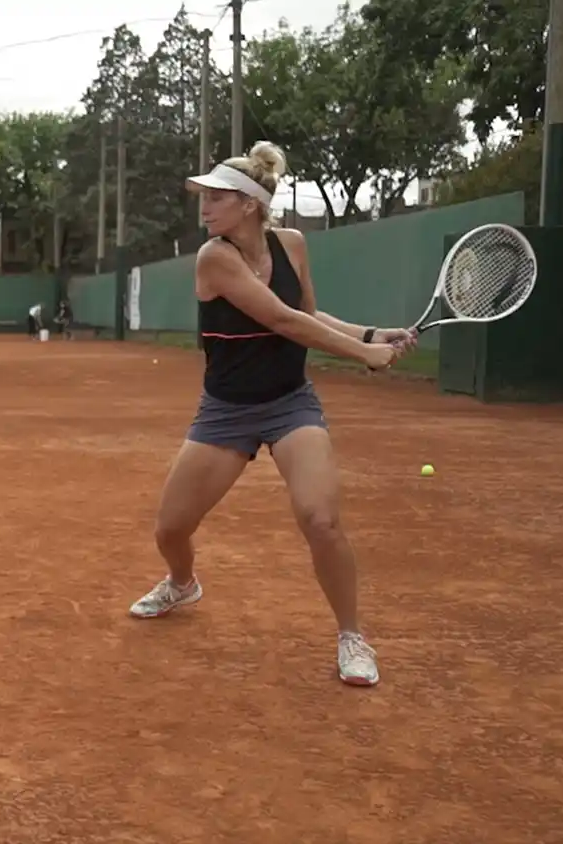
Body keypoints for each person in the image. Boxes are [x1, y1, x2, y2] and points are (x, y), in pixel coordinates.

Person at [126, 141, 411, 687]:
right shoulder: (214, 257)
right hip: (226, 411)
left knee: (321, 520)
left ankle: (352, 636)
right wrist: (363, 355)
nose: (205, 206)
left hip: (289, 403)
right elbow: (282, 321)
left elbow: (308, 314)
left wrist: (372, 334)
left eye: (217, 197)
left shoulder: (293, 245)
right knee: (171, 529)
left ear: (250, 204)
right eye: (204, 197)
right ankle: (182, 582)